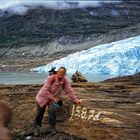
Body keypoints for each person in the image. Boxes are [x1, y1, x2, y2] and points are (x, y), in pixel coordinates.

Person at [34, 67, 82, 134]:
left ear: (65, 74)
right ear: (57, 72)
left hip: (54, 98)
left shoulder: (65, 80)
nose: (61, 73)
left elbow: (69, 90)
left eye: (63, 72)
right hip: (43, 97)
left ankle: (52, 127)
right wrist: (53, 98)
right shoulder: (51, 78)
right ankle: (36, 128)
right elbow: (45, 90)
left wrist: (75, 99)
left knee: (52, 109)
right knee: (39, 113)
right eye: (60, 72)